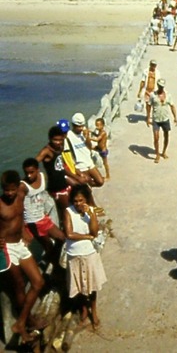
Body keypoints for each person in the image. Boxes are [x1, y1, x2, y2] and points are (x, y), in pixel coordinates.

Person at [0, 170, 47, 343]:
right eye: (6, 190)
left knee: (38, 282)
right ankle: (28, 321)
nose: (10, 193)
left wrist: (25, 228)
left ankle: (21, 322)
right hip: (6, 248)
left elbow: (36, 178)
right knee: (19, 284)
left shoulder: (21, 192)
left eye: (12, 189)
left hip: (20, 244)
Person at [64, 184, 107, 329]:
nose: (78, 204)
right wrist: (87, 236)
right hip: (74, 253)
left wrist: (92, 214)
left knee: (92, 286)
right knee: (80, 287)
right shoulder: (68, 212)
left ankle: (93, 311)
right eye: (75, 201)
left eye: (81, 200)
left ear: (86, 200)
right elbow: (69, 234)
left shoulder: (91, 211)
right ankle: (83, 309)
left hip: (89, 253)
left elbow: (94, 232)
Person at [36, 125, 90, 220]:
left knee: (83, 188)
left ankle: (88, 214)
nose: (58, 142)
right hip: (56, 187)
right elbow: (33, 163)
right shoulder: (46, 151)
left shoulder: (60, 148)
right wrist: (39, 178)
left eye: (60, 140)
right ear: (50, 139)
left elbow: (61, 167)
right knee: (67, 210)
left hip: (63, 180)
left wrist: (77, 176)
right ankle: (67, 230)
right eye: (55, 140)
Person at [21, 158, 65, 271]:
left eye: (32, 172)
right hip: (32, 222)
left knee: (61, 238)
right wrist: (23, 229)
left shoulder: (42, 176)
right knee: (48, 245)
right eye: (26, 173)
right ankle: (56, 268)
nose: (29, 176)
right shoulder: (23, 186)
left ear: (37, 170)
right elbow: (17, 209)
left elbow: (45, 193)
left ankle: (53, 261)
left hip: (43, 218)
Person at [67, 112, 104, 188]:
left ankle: (88, 185)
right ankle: (87, 188)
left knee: (100, 182)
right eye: (78, 126)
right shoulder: (69, 135)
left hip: (89, 162)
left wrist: (87, 137)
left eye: (82, 126)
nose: (81, 128)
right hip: (80, 165)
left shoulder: (84, 133)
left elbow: (89, 147)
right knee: (87, 188)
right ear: (73, 125)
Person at [146, 78, 177, 164]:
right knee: (156, 138)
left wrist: (175, 117)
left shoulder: (168, 95)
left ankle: (163, 151)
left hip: (165, 119)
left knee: (166, 136)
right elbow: (148, 106)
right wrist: (148, 117)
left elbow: (172, 106)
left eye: (162, 86)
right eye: (160, 86)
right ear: (157, 85)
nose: (161, 88)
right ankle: (157, 154)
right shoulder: (153, 95)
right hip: (156, 119)